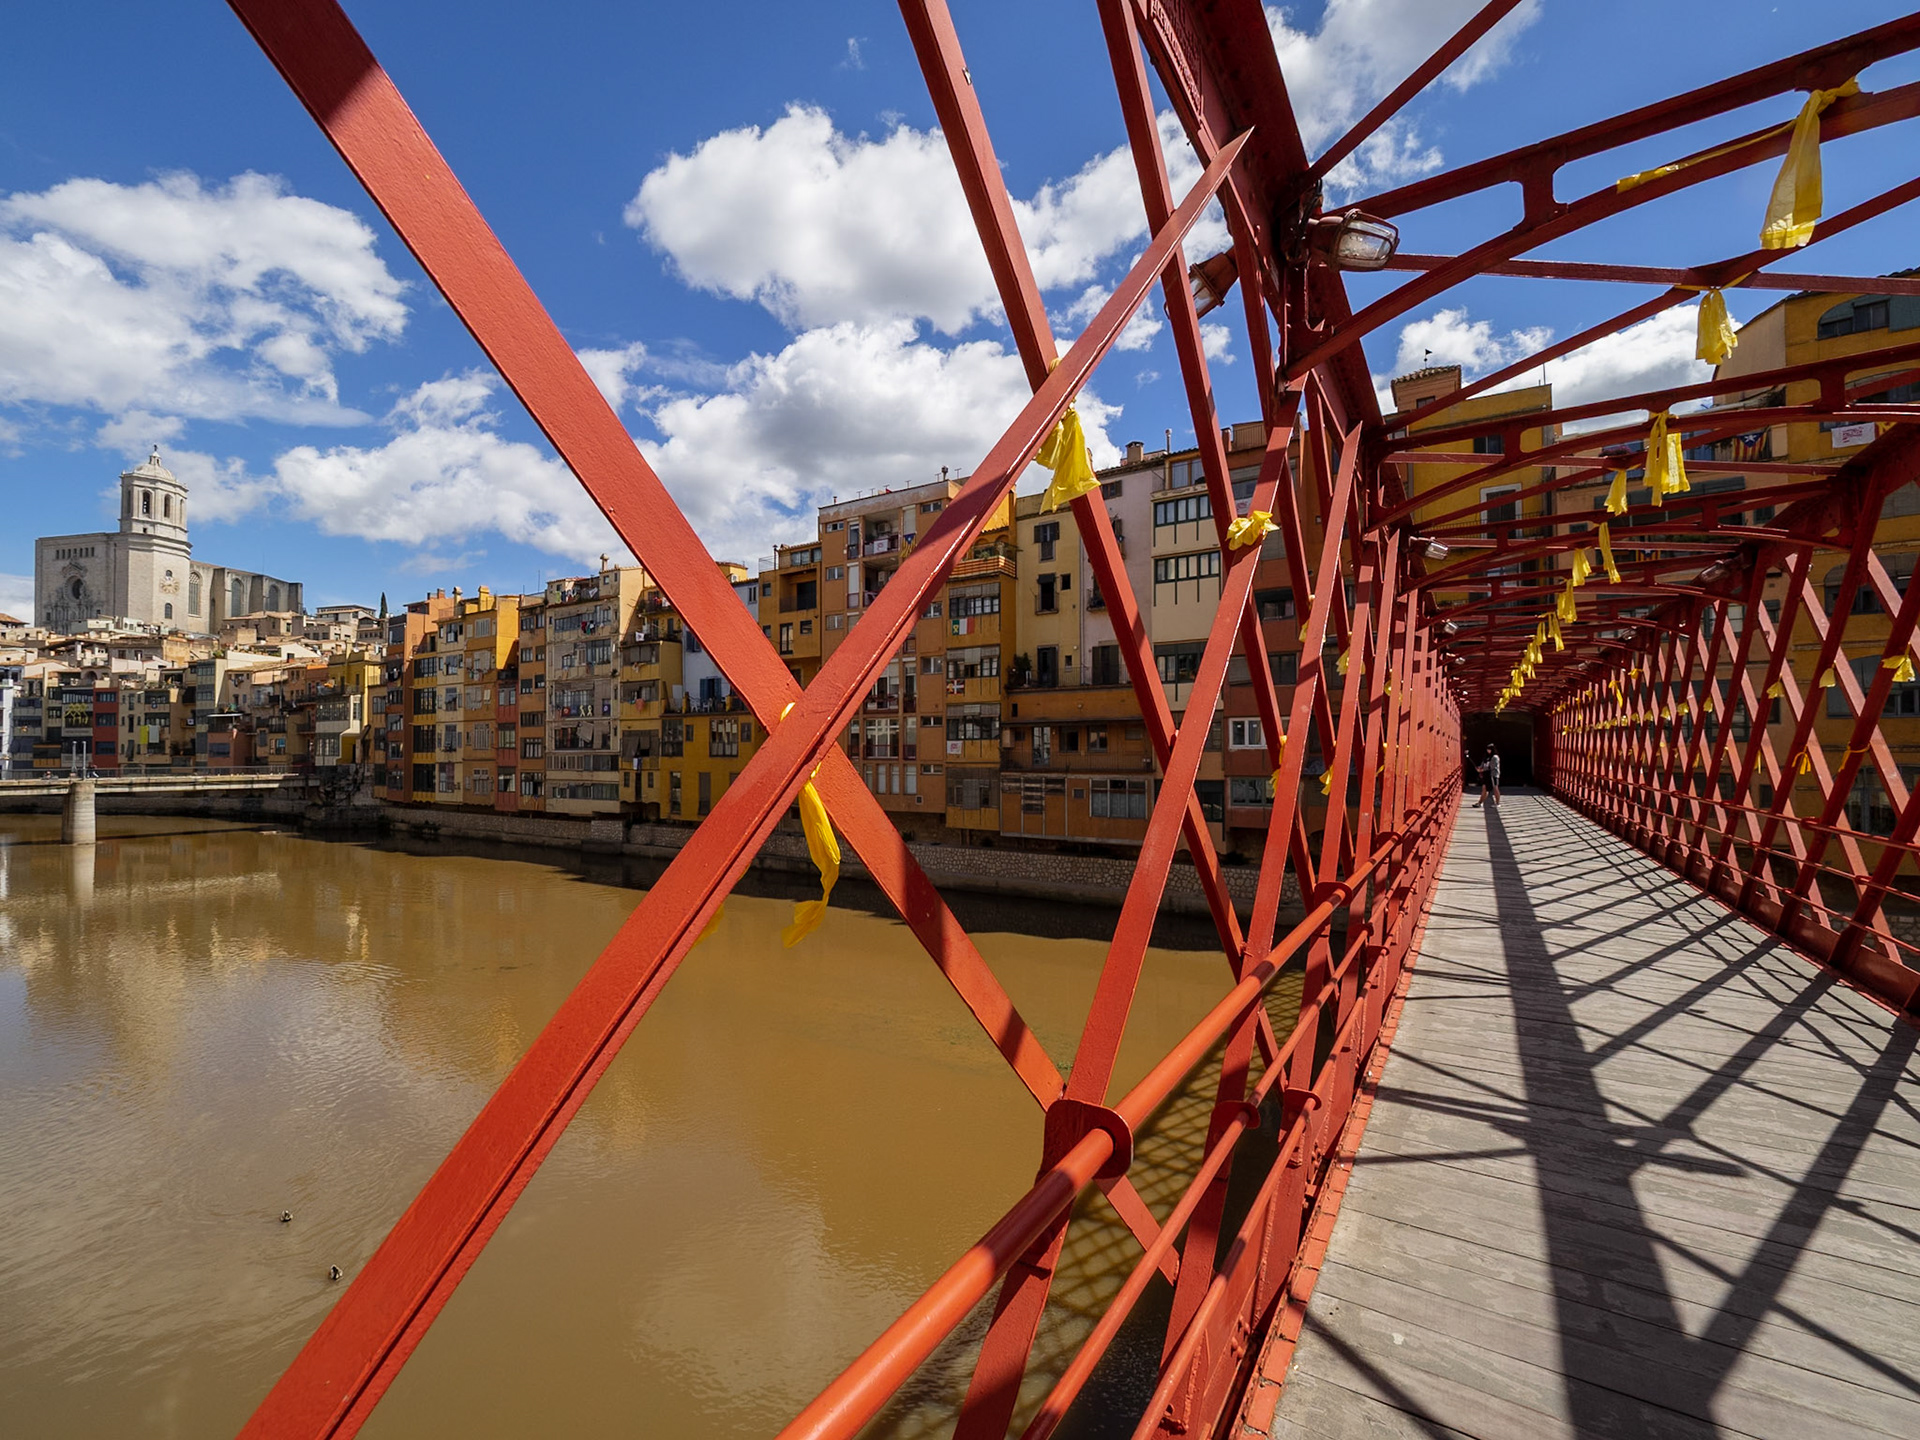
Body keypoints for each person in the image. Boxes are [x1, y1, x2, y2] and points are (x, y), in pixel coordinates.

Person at [1471, 743, 1502, 808]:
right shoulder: (1486, 757)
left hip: (1493, 775)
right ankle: (1480, 803)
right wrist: (1479, 768)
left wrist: (1482, 770)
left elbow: (1492, 767)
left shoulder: (1495, 757)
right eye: (1487, 749)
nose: (1488, 750)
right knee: (1484, 788)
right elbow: (1483, 764)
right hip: (1486, 775)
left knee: (1495, 788)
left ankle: (1498, 803)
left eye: (1489, 749)